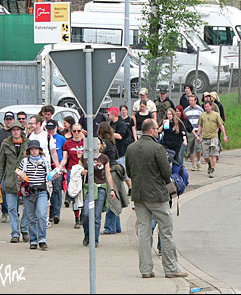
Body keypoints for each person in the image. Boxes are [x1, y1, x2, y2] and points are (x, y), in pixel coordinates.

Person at [125, 118, 188, 279]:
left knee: (144, 233)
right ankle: (171, 268)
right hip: (157, 196)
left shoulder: (131, 148)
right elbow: (167, 174)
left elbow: (129, 172)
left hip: (139, 195)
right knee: (166, 231)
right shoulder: (158, 148)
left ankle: (146, 270)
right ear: (152, 130)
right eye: (157, 129)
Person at [0, 121, 29, 240]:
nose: (15, 132)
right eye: (13, 130)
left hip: (25, 182)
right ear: (10, 131)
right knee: (12, 208)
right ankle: (15, 233)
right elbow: (1, 163)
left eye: (17, 129)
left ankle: (24, 229)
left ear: (21, 131)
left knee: (27, 208)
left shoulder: (27, 143)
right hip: (10, 180)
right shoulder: (6, 143)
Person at [17, 140, 52, 250]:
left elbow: (49, 176)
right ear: (29, 151)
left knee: (42, 215)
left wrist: (55, 176)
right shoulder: (25, 161)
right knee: (30, 217)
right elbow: (19, 177)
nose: (34, 151)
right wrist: (21, 177)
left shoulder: (45, 161)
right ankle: (33, 240)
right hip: (29, 191)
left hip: (41, 190)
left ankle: (42, 239)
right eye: (32, 149)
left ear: (39, 150)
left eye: (36, 149)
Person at [81, 137, 116, 247]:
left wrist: (111, 189)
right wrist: (82, 171)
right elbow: (78, 168)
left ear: (101, 146)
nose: (95, 146)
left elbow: (108, 174)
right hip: (88, 188)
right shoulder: (85, 156)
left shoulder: (104, 158)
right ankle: (87, 235)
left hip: (100, 188)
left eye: (98, 144)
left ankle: (94, 239)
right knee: (86, 214)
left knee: (96, 215)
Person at [97, 122, 127, 235]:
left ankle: (110, 227)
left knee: (111, 199)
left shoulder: (103, 143)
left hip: (110, 172)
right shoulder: (112, 142)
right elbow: (117, 156)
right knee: (115, 198)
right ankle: (117, 226)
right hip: (116, 170)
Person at [60, 123, 84, 228]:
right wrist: (60, 167)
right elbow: (65, 158)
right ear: (71, 131)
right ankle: (77, 218)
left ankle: (84, 215)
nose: (77, 133)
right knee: (75, 194)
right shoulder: (68, 143)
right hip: (72, 171)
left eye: (79, 131)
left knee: (85, 193)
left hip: (84, 171)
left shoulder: (86, 142)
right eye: (74, 131)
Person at [197, 101, 228, 178]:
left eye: (207, 106)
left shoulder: (216, 115)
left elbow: (221, 125)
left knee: (213, 155)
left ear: (211, 106)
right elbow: (200, 126)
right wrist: (198, 135)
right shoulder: (202, 115)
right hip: (205, 137)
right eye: (205, 107)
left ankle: (212, 170)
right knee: (205, 156)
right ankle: (210, 164)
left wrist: (224, 136)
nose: (206, 108)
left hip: (213, 137)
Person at [0, 111, 15, 224]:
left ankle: (14, 211)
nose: (8, 121)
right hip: (1, 164)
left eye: (10, 119)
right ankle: (4, 211)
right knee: (1, 189)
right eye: (7, 119)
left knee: (13, 190)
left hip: (13, 166)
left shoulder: (16, 133)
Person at [107, 107, 132, 194]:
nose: (107, 116)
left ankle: (131, 187)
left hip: (121, 150)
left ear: (113, 115)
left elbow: (120, 136)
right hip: (115, 149)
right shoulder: (111, 124)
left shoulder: (121, 124)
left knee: (123, 170)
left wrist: (109, 133)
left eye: (109, 114)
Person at [46, 120, 66, 224]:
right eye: (49, 129)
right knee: (49, 190)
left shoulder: (61, 139)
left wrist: (62, 166)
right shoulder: (45, 137)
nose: (51, 131)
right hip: (47, 168)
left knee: (57, 189)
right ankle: (51, 213)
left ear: (56, 128)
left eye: (52, 128)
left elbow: (65, 153)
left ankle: (56, 213)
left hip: (58, 168)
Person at [184, 96, 204, 172]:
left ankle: (198, 161)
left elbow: (202, 121)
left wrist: (200, 131)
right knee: (191, 148)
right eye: (189, 100)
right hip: (190, 131)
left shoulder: (200, 110)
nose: (191, 102)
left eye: (192, 100)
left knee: (198, 147)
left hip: (198, 131)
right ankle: (193, 164)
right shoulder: (186, 110)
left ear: (195, 101)